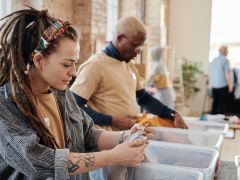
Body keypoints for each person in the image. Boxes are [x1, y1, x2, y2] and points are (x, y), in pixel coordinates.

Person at [0, 8, 152, 179]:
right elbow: (38, 162)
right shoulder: (5, 105)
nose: (73, 72)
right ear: (39, 60)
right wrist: (113, 156)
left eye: (75, 63)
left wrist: (125, 136)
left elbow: (88, 134)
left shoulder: (61, 93)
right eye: (66, 64)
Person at [70, 16, 187, 131]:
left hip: (126, 136)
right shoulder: (95, 66)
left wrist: (172, 114)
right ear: (120, 38)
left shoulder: (128, 64)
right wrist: (112, 120)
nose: (138, 52)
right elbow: (74, 106)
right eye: (135, 45)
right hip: (106, 140)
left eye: (140, 47)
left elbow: (144, 98)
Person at [209, 45, 233, 114]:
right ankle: (220, 119)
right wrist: (230, 85)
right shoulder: (226, 60)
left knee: (215, 102)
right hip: (223, 85)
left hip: (214, 85)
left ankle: (213, 118)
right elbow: (227, 74)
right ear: (226, 51)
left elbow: (211, 73)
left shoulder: (214, 60)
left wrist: (210, 84)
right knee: (222, 103)